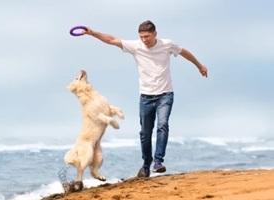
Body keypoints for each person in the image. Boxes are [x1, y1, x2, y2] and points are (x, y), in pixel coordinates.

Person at [82, 20, 208, 178]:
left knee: (162, 125)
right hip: (146, 97)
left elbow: (184, 52)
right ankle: (146, 165)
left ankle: (158, 162)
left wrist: (199, 65)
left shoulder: (167, 44)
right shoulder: (136, 46)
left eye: (147, 36)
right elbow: (111, 39)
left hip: (165, 95)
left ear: (155, 34)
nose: (144, 40)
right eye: (141, 37)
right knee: (145, 133)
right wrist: (92, 33)